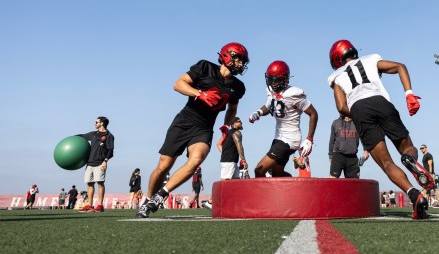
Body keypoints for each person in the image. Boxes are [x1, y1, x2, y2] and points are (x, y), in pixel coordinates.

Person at [136, 43, 249, 218]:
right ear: (227, 56)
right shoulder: (205, 67)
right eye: (238, 58)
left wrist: (226, 126)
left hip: (204, 128)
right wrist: (200, 94)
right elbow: (178, 84)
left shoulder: (238, 87)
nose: (241, 63)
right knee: (163, 166)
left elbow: (232, 109)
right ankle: (147, 198)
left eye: (243, 60)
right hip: (184, 121)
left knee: (196, 160)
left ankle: (160, 196)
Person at [326, 39, 434, 219]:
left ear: (336, 60)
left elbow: (341, 107)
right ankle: (410, 159)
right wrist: (409, 94)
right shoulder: (370, 59)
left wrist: (357, 114)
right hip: (381, 102)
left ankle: (415, 196)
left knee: (387, 163)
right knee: (407, 147)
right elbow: (400, 66)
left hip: (359, 110)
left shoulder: (336, 76)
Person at [249, 60, 318, 178]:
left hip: (289, 139)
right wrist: (259, 112)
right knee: (277, 173)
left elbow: (313, 113)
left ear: (284, 79)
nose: (273, 83)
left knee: (259, 170)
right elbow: (269, 105)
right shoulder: (271, 91)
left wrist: (309, 139)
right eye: (271, 79)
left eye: (276, 80)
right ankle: (297, 190)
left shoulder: (294, 94)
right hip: (279, 137)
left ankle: (264, 197)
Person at [77, 116, 115, 212]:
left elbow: (110, 151)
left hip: (100, 163)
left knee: (100, 183)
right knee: (90, 184)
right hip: (89, 163)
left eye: (96, 122)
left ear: (102, 123)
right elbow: (82, 136)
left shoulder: (109, 135)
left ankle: (100, 205)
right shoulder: (93, 134)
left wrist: (105, 161)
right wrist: (71, 138)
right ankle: (89, 205)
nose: (95, 123)